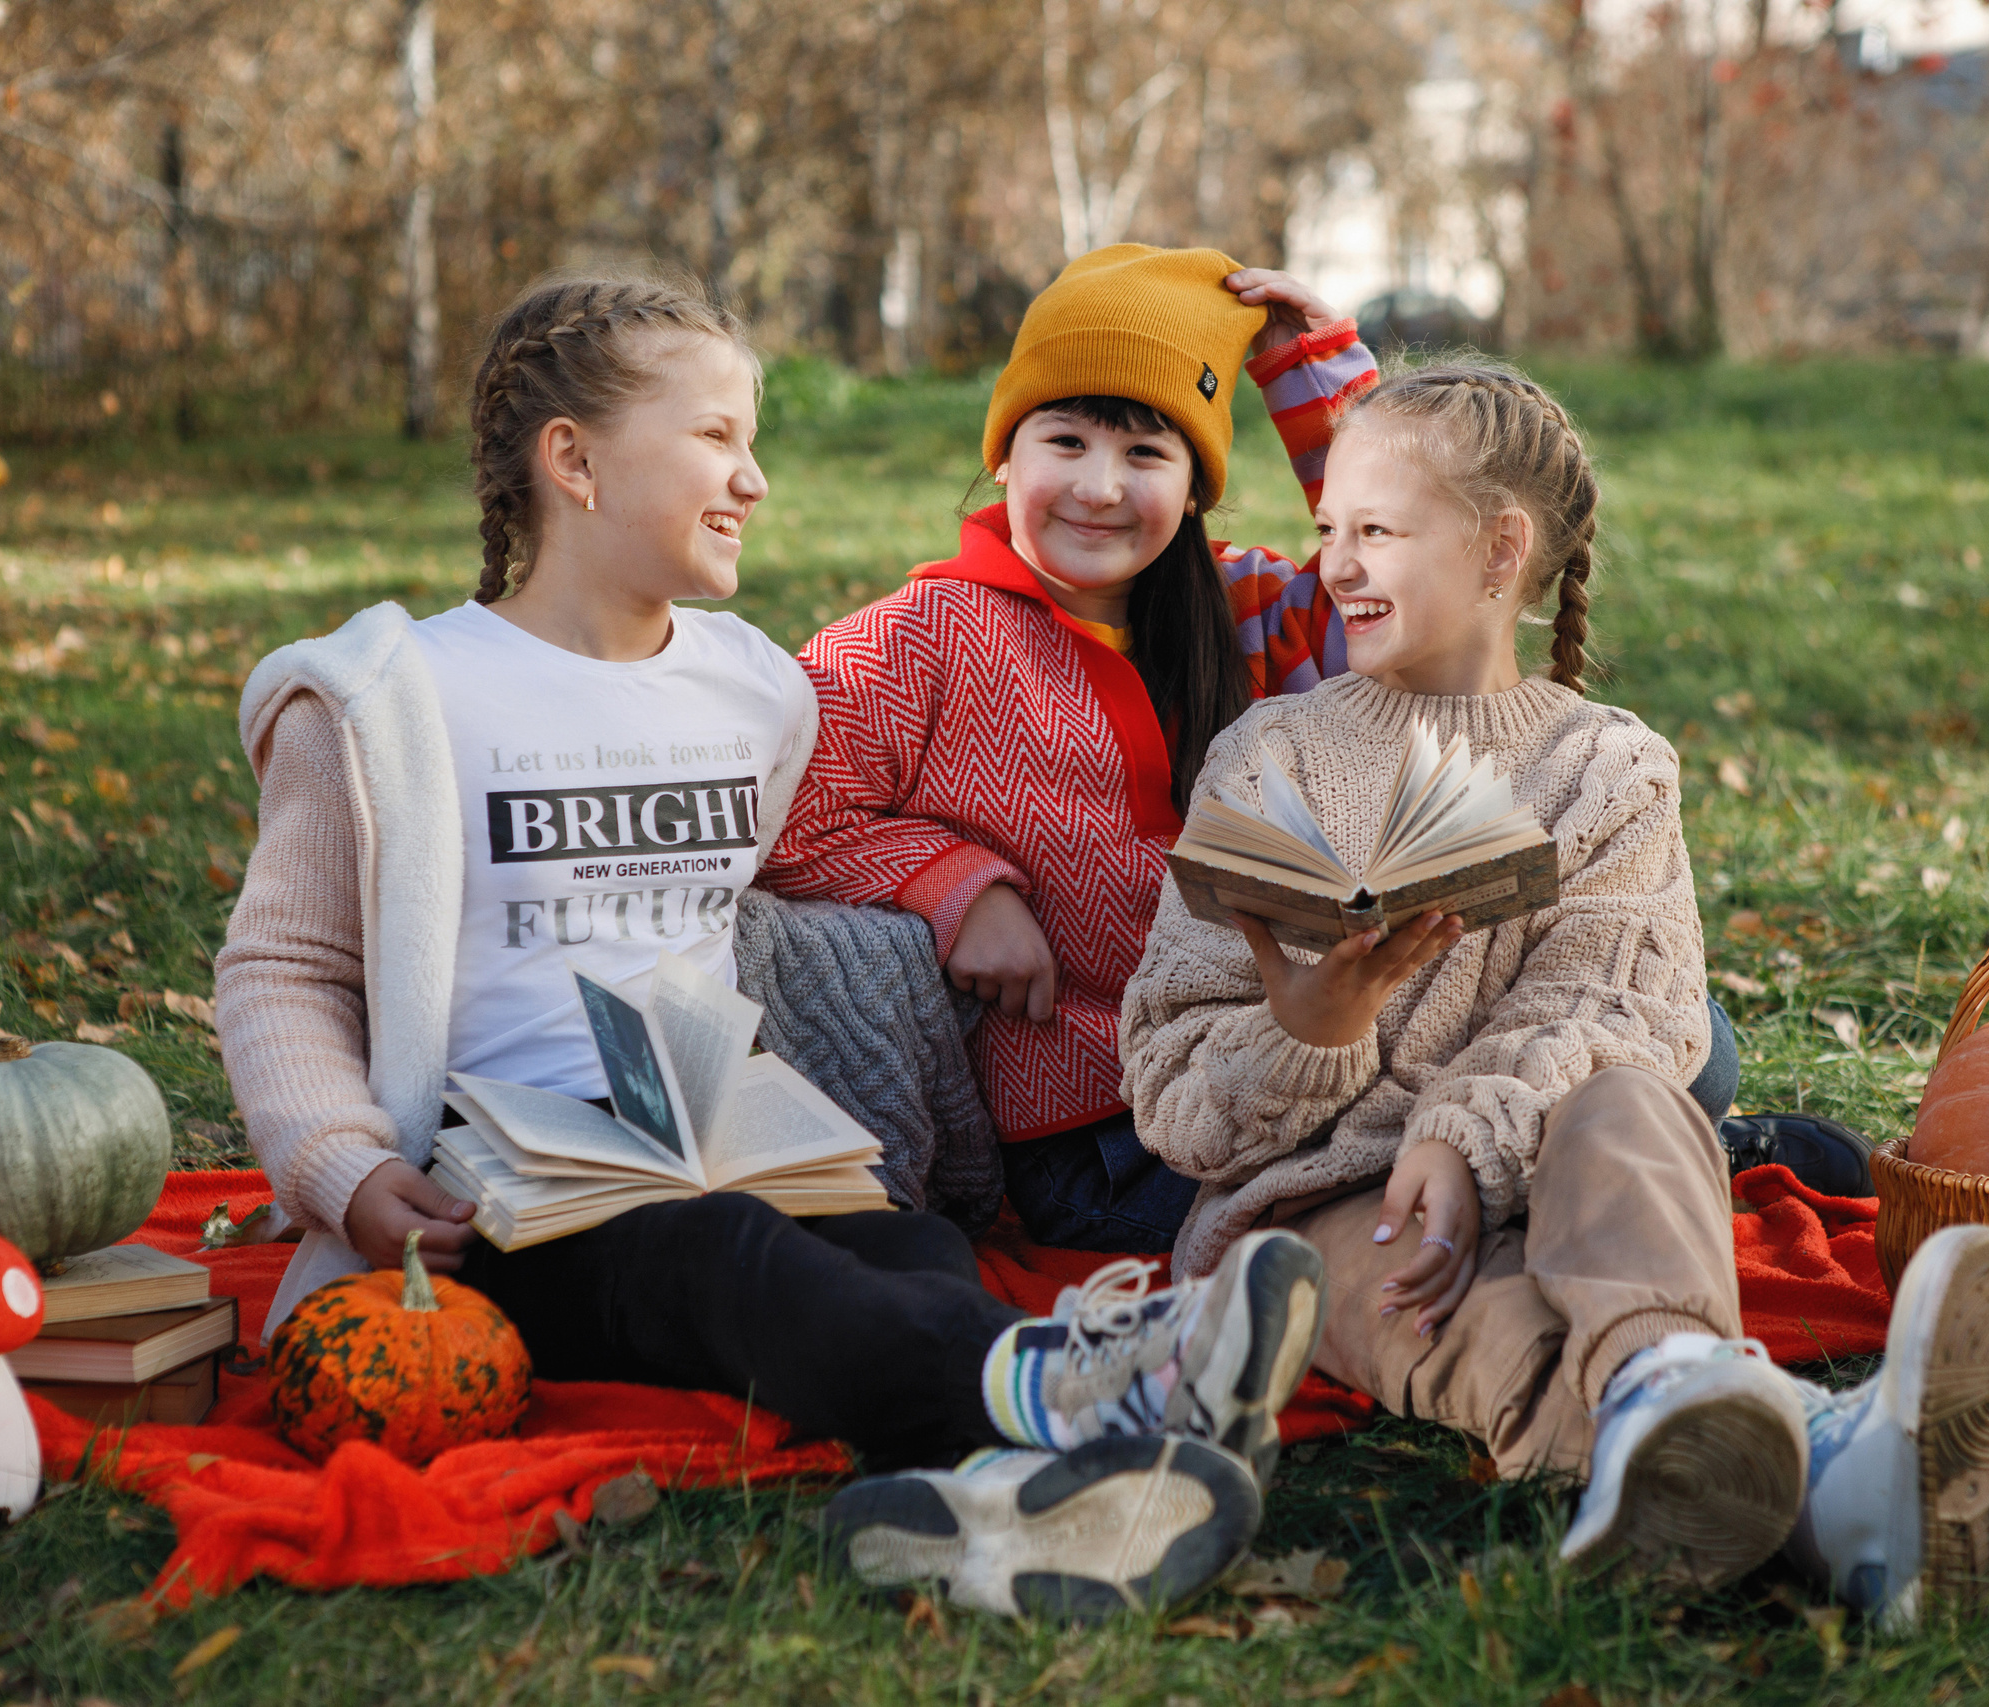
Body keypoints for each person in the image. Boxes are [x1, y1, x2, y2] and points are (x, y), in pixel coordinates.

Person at [213, 273, 1330, 1618]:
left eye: (757, 443)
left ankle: (981, 1511)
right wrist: (343, 1167)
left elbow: (822, 844)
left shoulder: (749, 691)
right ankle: (1096, 1380)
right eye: (715, 440)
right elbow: (282, 968)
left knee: (909, 1251)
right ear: (571, 461)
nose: (752, 480)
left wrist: (955, 881)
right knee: (727, 1260)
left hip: (712, 1121)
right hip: (503, 1179)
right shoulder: (396, 697)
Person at [1119, 361, 1989, 1621]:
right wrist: (1312, 1031)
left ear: (1501, 549)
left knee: (1629, 1099)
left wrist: (1465, 1135)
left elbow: (1623, 1010)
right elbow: (1172, 1079)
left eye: (1377, 532)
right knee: (1427, 1301)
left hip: (1557, 1154)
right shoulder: (1268, 754)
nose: (1334, 562)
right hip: (1319, 1201)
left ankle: (1677, 1400)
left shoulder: (1604, 767)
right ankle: (1819, 1466)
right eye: (1326, 528)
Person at [758, 245, 1377, 1252]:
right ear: (1007, 452)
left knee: (1667, 1047)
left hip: (1277, 1060)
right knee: (1392, 1207)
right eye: (1066, 441)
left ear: (1194, 485)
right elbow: (778, 816)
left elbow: (1387, 590)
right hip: (1094, 1131)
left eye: (1145, 454)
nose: (1098, 486)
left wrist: (1319, 383)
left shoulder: (1242, 611)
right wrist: (956, 888)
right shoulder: (917, 636)